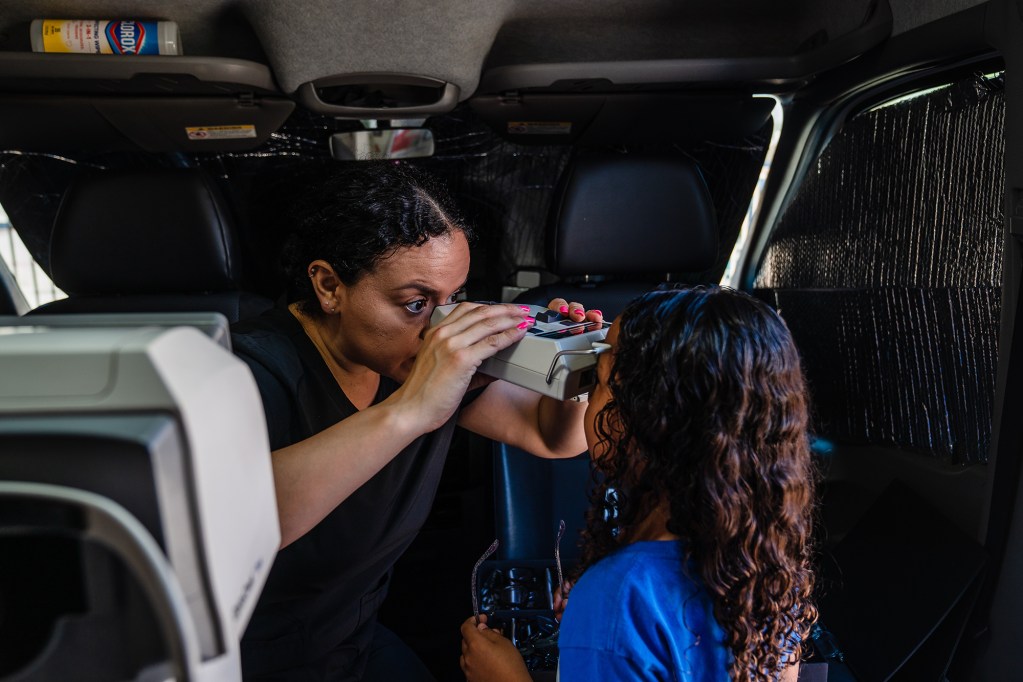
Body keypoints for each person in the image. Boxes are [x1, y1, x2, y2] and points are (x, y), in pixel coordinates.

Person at [230, 162, 602, 681]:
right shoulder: (245, 372)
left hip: (351, 639)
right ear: (329, 286)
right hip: (247, 659)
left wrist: (575, 369)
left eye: (453, 299)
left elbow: (549, 437)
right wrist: (413, 407)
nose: (440, 326)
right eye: (415, 303)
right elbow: (238, 523)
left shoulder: (418, 356)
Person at [460, 286, 817, 682]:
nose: (587, 395)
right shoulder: (764, 572)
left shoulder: (618, 596)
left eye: (595, 381)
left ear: (641, 421)